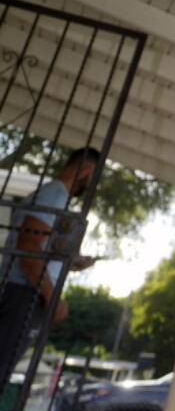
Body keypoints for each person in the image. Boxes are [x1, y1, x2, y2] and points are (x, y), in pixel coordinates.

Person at [0, 147, 100, 386]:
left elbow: (37, 247)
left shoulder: (54, 195)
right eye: (93, 179)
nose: (90, 187)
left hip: (24, 292)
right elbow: (29, 247)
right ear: (86, 170)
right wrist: (52, 297)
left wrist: (69, 263)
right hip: (23, 293)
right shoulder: (55, 194)